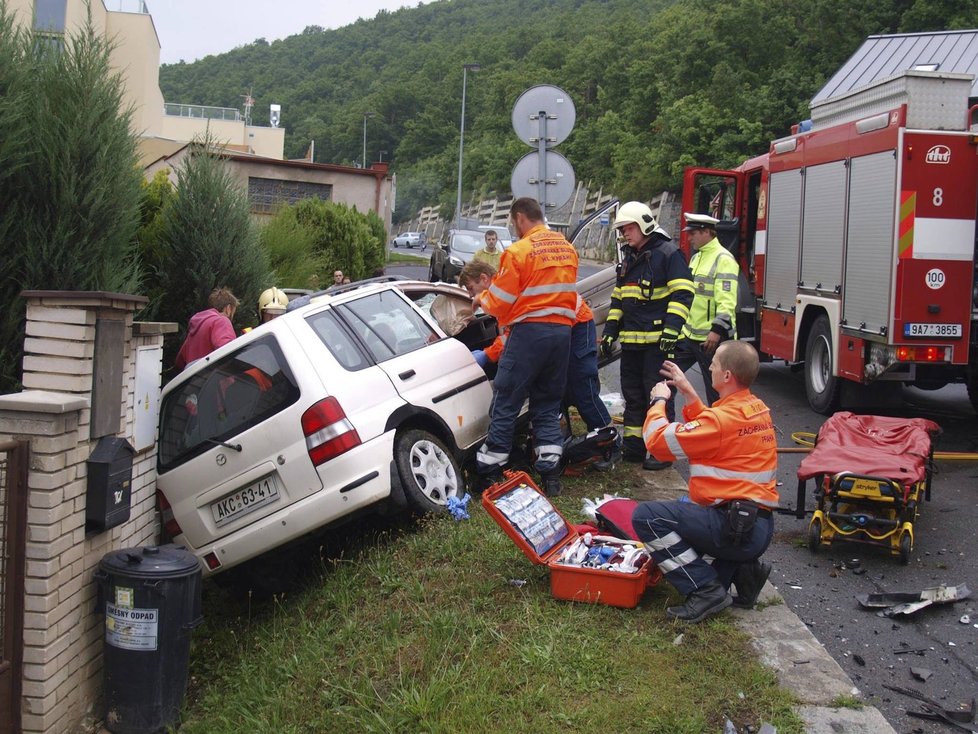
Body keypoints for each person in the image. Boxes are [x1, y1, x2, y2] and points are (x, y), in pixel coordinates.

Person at [632, 341, 777, 623]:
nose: (709, 367)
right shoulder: (755, 409)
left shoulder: (722, 420)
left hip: (734, 527)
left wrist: (659, 401)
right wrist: (688, 392)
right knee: (685, 512)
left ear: (726, 376)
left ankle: (705, 591)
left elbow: (657, 443)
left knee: (648, 518)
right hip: (755, 524)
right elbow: (713, 430)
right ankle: (744, 574)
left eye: (715, 364)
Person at [472, 197, 579, 497]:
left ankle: (491, 470)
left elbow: (500, 303)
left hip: (530, 334)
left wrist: (481, 299)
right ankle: (550, 474)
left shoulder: (518, 251)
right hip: (561, 335)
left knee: (507, 399)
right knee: (546, 403)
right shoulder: (566, 247)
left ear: (520, 218)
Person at [460, 261, 616, 462]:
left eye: (472, 289)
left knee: (582, 386)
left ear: (484, 278)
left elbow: (511, 337)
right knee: (555, 388)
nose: (473, 296)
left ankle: (610, 443)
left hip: (577, 323)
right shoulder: (502, 292)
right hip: (556, 326)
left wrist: (487, 355)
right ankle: (575, 443)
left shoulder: (505, 291)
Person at [600, 201, 694, 471]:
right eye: (622, 230)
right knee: (633, 395)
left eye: (628, 228)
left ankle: (662, 453)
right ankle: (634, 447)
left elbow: (683, 294)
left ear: (644, 225)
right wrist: (609, 334)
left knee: (658, 396)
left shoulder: (668, 254)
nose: (625, 234)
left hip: (657, 344)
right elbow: (618, 300)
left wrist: (671, 331)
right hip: (631, 344)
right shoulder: (629, 258)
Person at [673, 213, 739, 406]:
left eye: (693, 233)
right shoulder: (696, 258)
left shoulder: (723, 259)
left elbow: (727, 302)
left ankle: (719, 431)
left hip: (711, 339)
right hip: (690, 335)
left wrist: (716, 331)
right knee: (667, 376)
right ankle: (663, 421)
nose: (689, 237)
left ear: (706, 232)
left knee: (716, 393)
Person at [174, 287, 239, 371]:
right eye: (233, 311)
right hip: (215, 380)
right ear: (228, 308)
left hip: (195, 381)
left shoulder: (197, 326)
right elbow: (227, 351)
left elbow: (179, 361)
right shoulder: (221, 321)